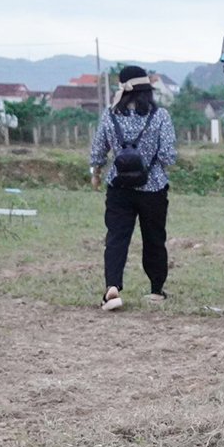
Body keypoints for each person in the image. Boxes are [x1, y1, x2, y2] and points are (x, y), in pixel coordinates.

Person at [88, 65, 177, 311]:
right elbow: (168, 157)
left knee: (116, 238)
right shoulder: (160, 116)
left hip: (119, 187)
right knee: (154, 239)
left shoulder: (109, 115)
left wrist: (95, 172)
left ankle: (112, 287)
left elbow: (97, 152)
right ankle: (156, 290)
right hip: (154, 188)